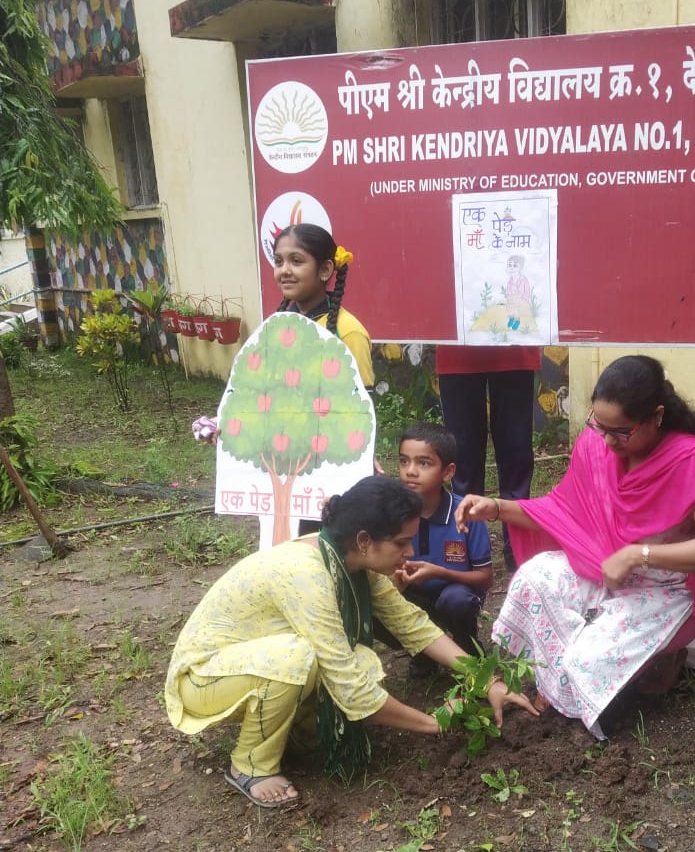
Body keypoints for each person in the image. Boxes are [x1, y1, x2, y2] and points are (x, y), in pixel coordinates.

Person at [164, 476, 536, 809]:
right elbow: (350, 688)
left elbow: (415, 627)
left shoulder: (352, 562)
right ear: (364, 540)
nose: (409, 553)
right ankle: (250, 765)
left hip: (251, 663)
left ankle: (296, 729)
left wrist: (487, 681)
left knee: (360, 658)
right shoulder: (306, 574)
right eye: (402, 542)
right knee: (299, 658)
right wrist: (433, 724)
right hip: (203, 679)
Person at [454, 355, 695, 739]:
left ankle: (663, 654)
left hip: (669, 590)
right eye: (598, 424)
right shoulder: (597, 444)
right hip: (607, 568)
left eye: (621, 431)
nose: (606, 440)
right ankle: (577, 669)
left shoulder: (690, 460)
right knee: (533, 579)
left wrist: (638, 555)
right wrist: (496, 508)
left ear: (656, 416)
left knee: (585, 663)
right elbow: (561, 510)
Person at [436, 345, 540, 571]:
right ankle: (468, 546)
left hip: (515, 347)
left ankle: (517, 549)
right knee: (462, 460)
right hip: (457, 350)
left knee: (516, 454)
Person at [395, 421, 493, 656]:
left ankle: (467, 643)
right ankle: (422, 654)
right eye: (404, 461)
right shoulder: (393, 513)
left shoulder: (466, 514)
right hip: (412, 595)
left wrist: (440, 573)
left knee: (456, 600)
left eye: (423, 463)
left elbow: (485, 578)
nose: (410, 471)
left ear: (448, 472)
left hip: (456, 593)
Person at [273, 222, 374, 390]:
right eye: (278, 261)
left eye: (296, 261)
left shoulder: (349, 333)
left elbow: (362, 403)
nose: (284, 270)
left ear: (325, 270)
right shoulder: (275, 327)